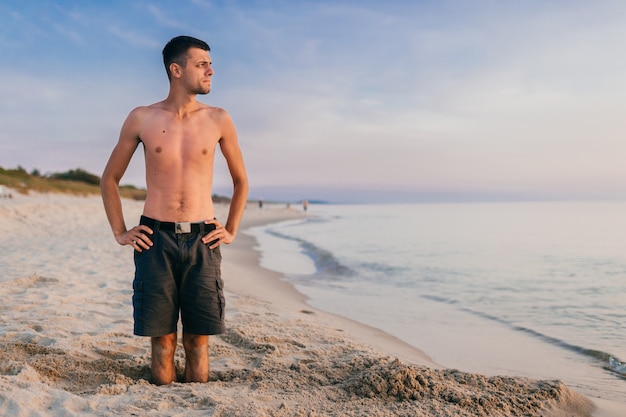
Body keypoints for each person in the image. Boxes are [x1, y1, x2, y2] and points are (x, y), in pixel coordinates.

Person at [100, 35, 248, 385]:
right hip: (155, 239)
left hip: (203, 240)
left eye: (210, 64)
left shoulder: (218, 119)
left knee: (198, 340)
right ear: (176, 69)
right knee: (162, 341)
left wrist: (231, 228)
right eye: (202, 64)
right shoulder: (142, 117)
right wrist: (120, 232)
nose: (211, 70)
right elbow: (109, 179)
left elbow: (241, 181)